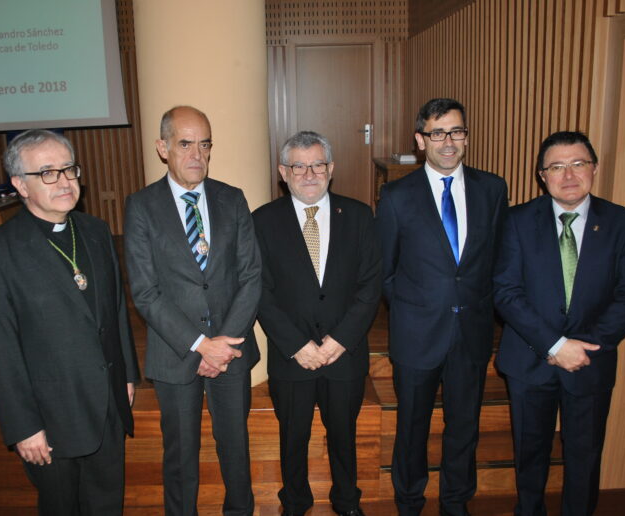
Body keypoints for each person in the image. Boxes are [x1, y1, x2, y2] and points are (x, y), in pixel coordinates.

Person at [0, 129, 139, 515]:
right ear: (19, 185)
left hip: (107, 404)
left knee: (107, 505)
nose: (64, 181)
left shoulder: (95, 231)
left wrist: (127, 374)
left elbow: (115, 310)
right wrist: (23, 426)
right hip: (51, 418)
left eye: (69, 169)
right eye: (47, 172)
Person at [494, 131, 625, 516]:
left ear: (594, 168)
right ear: (542, 175)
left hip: (590, 361)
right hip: (530, 360)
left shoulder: (623, 223)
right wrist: (555, 345)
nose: (568, 175)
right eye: (557, 167)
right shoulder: (516, 221)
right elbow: (506, 292)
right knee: (530, 456)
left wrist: (581, 347)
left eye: (578, 164)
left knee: (585, 457)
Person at [123, 106, 262, 516]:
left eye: (204, 144)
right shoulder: (141, 206)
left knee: (235, 449)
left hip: (231, 351)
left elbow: (251, 276)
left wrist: (222, 347)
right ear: (162, 148)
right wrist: (201, 345)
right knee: (180, 456)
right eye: (185, 144)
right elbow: (145, 292)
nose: (196, 154)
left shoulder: (232, 199)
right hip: (175, 352)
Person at [376, 98, 508, 516]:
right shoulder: (396, 196)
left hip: (472, 331)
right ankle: (409, 501)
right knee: (412, 427)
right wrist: (415, 309)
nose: (448, 142)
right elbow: (384, 271)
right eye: (438, 133)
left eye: (456, 131)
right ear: (420, 140)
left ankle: (455, 502)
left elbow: (498, 259)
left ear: (466, 136)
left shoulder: (492, 189)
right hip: (417, 335)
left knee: (464, 426)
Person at [253, 131, 382, 516]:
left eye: (317, 165)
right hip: (291, 356)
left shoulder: (358, 216)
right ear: (283, 172)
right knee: (292, 438)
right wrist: (297, 345)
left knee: (344, 436)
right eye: (299, 166)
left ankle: (347, 501)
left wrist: (340, 340)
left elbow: (370, 285)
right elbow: (259, 292)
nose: (309, 174)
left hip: (344, 354)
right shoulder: (262, 221)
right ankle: (295, 502)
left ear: (331, 168)